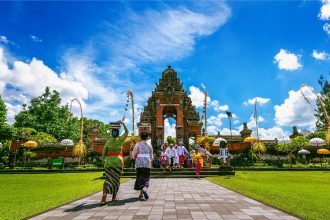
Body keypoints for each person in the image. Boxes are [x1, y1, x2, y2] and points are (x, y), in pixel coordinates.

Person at [100, 121, 128, 205]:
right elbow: (127, 132)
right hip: (118, 162)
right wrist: (123, 124)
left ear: (112, 133)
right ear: (118, 133)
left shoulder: (108, 142)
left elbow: (103, 154)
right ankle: (114, 197)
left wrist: (103, 162)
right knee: (116, 180)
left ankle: (104, 196)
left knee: (107, 179)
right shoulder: (120, 140)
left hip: (108, 163)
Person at [132, 131, 153, 199]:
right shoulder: (149, 145)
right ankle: (144, 189)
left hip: (139, 162)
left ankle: (141, 194)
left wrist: (134, 158)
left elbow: (133, 153)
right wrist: (150, 160)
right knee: (146, 177)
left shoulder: (138, 144)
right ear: (147, 137)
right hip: (147, 162)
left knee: (140, 177)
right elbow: (151, 156)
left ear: (140, 137)